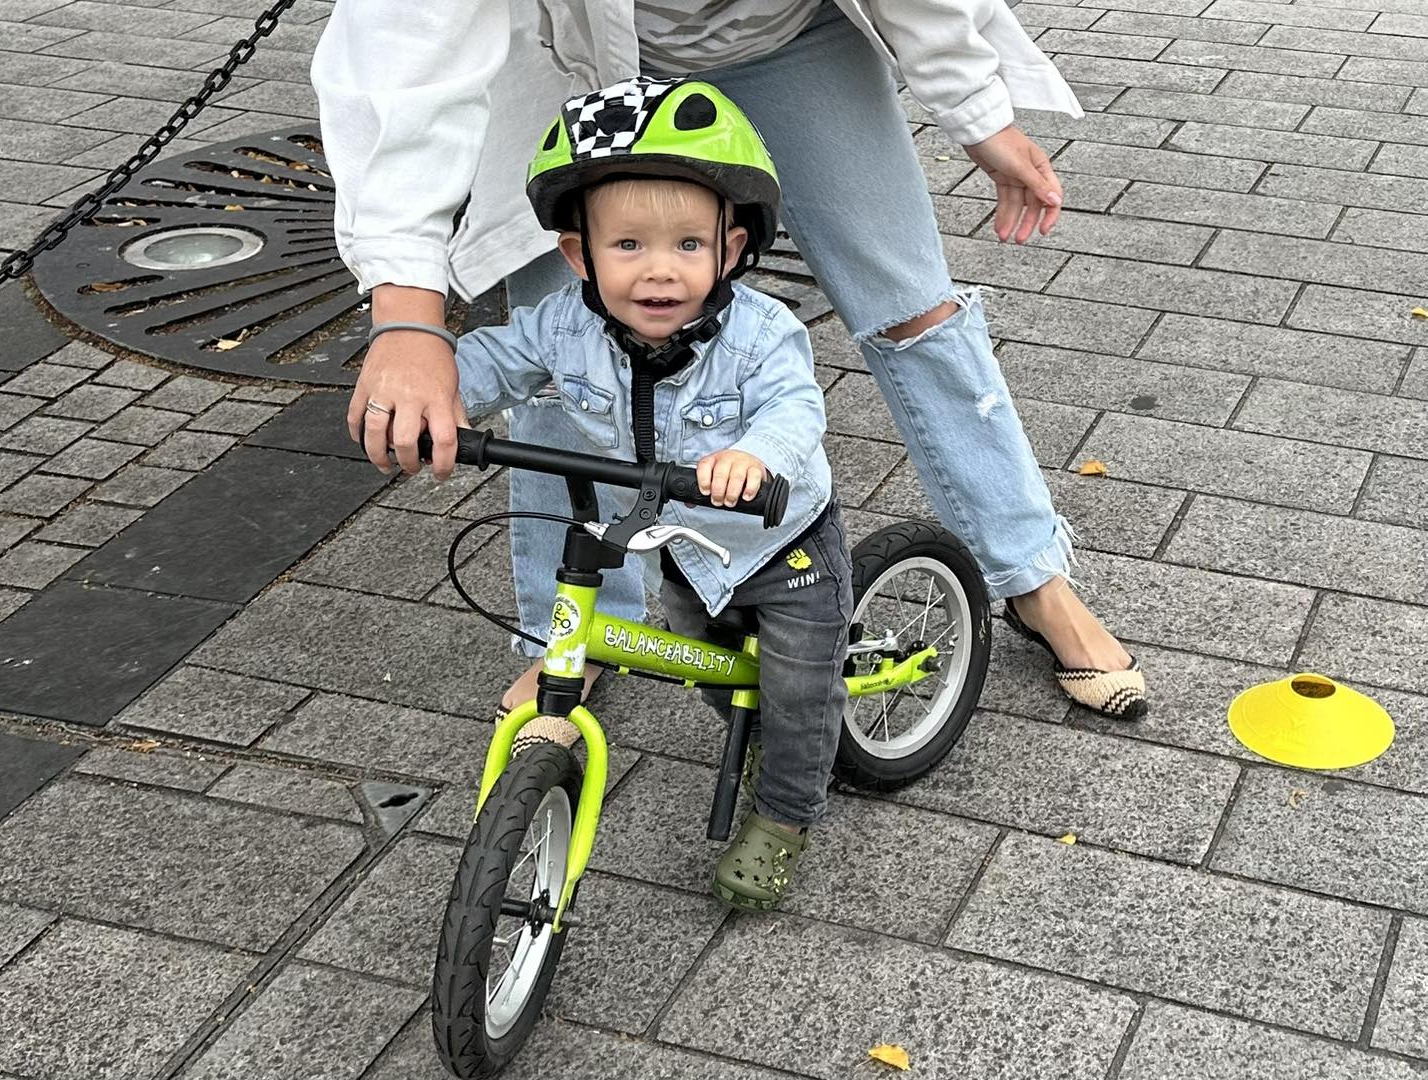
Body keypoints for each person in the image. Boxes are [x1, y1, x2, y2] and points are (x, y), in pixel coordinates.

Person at [312, 0, 1149, 723]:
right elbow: (402, 38)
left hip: (784, 34)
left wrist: (975, 108)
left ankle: (1032, 577)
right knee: (562, 342)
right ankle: (580, 629)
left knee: (914, 307)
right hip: (567, 54)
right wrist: (408, 318)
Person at [443, 78, 851, 911]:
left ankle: (785, 814)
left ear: (730, 249)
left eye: (687, 247)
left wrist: (753, 454)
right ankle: (767, 734)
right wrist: (429, 395)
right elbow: (492, 363)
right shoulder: (565, 325)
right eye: (628, 245)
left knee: (799, 687)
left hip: (781, 542)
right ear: (578, 255)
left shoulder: (762, 334)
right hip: (680, 546)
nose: (660, 270)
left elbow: (795, 406)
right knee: (709, 664)